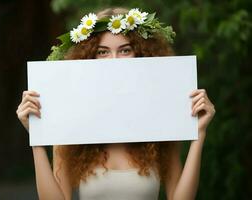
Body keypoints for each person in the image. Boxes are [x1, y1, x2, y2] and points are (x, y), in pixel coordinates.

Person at [16, 7, 216, 200]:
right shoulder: (70, 124)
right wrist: (38, 139)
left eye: (125, 50)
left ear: (141, 54)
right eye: (102, 52)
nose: (114, 60)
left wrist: (199, 134)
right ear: (90, 58)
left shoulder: (161, 121)